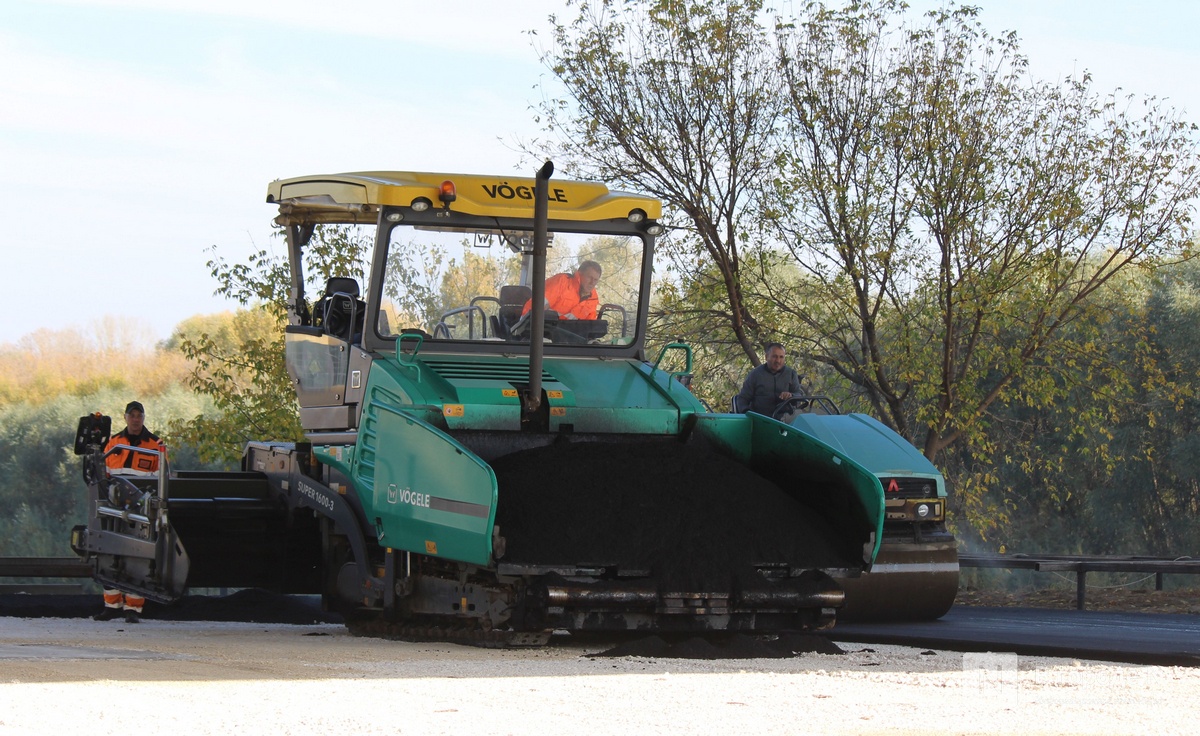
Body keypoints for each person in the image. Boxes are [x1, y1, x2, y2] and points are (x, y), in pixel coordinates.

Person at [94, 400, 164, 623]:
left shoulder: (155, 445)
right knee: (109, 553)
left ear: (143, 418)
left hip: (141, 510)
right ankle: (111, 605)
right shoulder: (113, 443)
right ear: (125, 417)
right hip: (113, 506)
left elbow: (163, 479)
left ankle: (133, 609)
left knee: (137, 556)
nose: (135, 419)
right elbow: (101, 474)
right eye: (132, 415)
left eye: (139, 416)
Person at [521, 260, 602, 321]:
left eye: (596, 280)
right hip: (537, 330)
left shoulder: (593, 299)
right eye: (589, 277)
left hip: (569, 339)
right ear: (579, 274)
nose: (592, 283)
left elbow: (590, 326)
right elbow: (536, 309)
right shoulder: (561, 282)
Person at [735, 342, 802, 416]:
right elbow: (742, 398)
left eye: (781, 357)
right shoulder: (755, 374)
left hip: (785, 421)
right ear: (766, 357)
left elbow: (799, 395)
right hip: (760, 419)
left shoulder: (791, 374)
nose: (778, 361)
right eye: (774, 356)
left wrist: (791, 395)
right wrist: (748, 414)